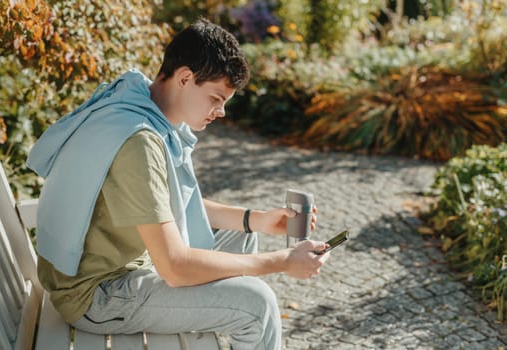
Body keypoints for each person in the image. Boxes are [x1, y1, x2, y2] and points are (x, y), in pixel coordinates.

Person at [27, 18, 331, 350]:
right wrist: (284, 260)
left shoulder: (135, 100)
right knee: (258, 305)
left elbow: (162, 204)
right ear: (185, 78)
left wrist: (255, 219)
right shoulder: (139, 141)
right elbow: (174, 267)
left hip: (96, 271)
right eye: (216, 98)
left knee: (242, 237)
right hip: (99, 296)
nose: (222, 112)